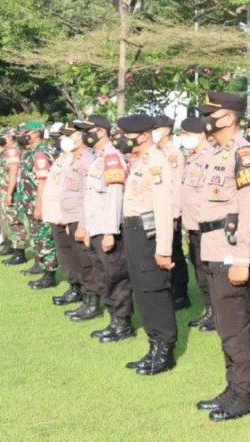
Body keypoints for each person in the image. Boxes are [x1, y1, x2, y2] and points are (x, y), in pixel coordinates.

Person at [194, 92, 250, 421]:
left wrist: (242, 257)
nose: (206, 118)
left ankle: (244, 395)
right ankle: (233, 387)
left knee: (235, 327)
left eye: (212, 113)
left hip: (230, 249)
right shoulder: (213, 152)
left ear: (229, 118)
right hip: (210, 245)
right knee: (224, 325)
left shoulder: (243, 153)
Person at [116, 114, 177, 374]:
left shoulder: (157, 164)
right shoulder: (142, 161)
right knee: (142, 290)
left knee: (154, 290)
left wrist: (163, 250)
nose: (122, 139)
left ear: (142, 135)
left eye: (127, 135)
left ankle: (164, 349)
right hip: (133, 230)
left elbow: (164, 209)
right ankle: (153, 346)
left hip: (148, 233)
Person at [73, 114, 134, 340]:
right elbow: (92, 199)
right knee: (103, 276)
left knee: (116, 277)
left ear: (101, 131)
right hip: (96, 228)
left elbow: (115, 196)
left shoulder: (111, 157)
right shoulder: (98, 159)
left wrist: (110, 231)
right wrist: (88, 228)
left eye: (87, 130)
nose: (84, 135)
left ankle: (122, 324)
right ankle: (113, 319)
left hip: (109, 230)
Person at [44, 122, 97, 307]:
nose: (64, 139)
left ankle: (90, 299)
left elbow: (87, 194)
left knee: (84, 260)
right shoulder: (71, 158)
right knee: (70, 256)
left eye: (70, 135)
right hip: (68, 215)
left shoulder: (86, 160)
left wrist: (82, 224)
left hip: (79, 217)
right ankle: (78, 290)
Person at [179, 118, 217, 332]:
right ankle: (209, 310)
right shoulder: (193, 158)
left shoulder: (210, 157)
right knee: (200, 271)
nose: (185, 138)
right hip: (192, 225)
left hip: (206, 226)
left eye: (188, 133)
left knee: (208, 272)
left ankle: (216, 312)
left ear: (201, 134)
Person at [15, 121, 59, 289]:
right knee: (36, 237)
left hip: (38, 202)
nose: (22, 135)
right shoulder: (30, 152)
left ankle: (49, 275)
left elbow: (43, 181)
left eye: (25, 131)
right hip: (29, 202)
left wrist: (39, 205)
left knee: (44, 239)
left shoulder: (40, 154)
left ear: (36, 133)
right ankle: (40, 265)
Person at [154, 114, 190, 311]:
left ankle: (181, 293)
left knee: (175, 253)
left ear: (166, 130)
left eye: (156, 129)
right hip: (159, 211)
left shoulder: (173, 154)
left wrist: (175, 214)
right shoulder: (156, 152)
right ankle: (169, 288)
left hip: (171, 211)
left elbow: (176, 186)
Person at [0, 129, 26, 262]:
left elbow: (13, 173)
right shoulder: (7, 150)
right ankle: (11, 247)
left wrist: (9, 193)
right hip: (4, 190)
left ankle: (19, 252)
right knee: (7, 221)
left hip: (11, 192)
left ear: (9, 137)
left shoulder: (12, 151)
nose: (0, 138)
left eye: (2, 136)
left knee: (14, 222)